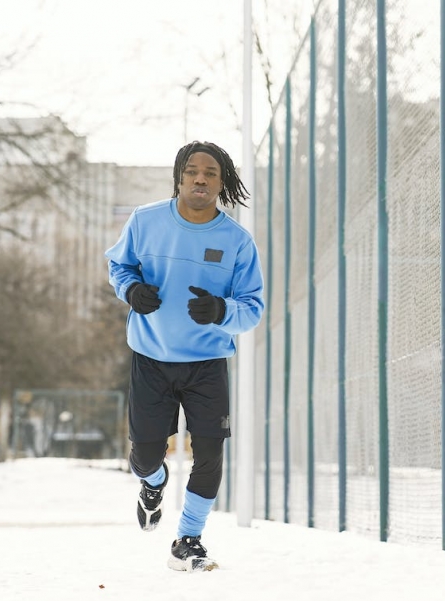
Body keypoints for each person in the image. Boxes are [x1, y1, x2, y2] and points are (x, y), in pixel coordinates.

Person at [105, 140, 264, 572]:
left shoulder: (237, 241)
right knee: (145, 455)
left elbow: (253, 307)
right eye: (192, 170)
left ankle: (188, 540)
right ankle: (153, 484)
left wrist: (220, 311)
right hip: (151, 357)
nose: (200, 178)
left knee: (210, 453)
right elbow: (119, 266)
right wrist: (132, 291)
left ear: (222, 182)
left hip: (207, 363)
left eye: (211, 173)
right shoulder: (145, 220)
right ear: (179, 176)